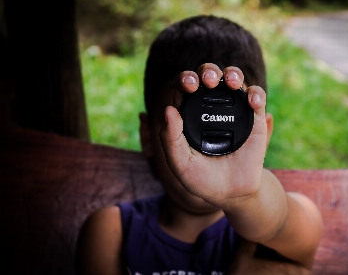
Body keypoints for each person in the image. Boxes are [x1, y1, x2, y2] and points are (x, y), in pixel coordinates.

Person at [76, 15, 323, 275]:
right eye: (187, 124)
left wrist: (244, 196)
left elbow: (280, 221)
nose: (205, 148)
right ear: (148, 135)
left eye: (222, 123)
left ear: (264, 133)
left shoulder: (279, 229)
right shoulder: (112, 231)